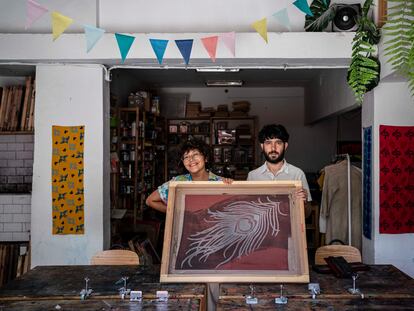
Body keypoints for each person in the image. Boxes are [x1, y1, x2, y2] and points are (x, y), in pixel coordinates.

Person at [146, 138, 231, 213]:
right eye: (186, 157)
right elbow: (150, 201)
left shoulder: (220, 182)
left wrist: (232, 186)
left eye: (195, 154)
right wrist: (175, 212)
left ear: (205, 158)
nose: (191, 159)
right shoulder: (177, 182)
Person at [247, 124, 312, 203]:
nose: (273, 148)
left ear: (285, 146)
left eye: (278, 143)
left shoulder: (297, 174)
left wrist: (304, 202)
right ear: (262, 146)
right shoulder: (253, 176)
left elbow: (308, 212)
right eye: (268, 143)